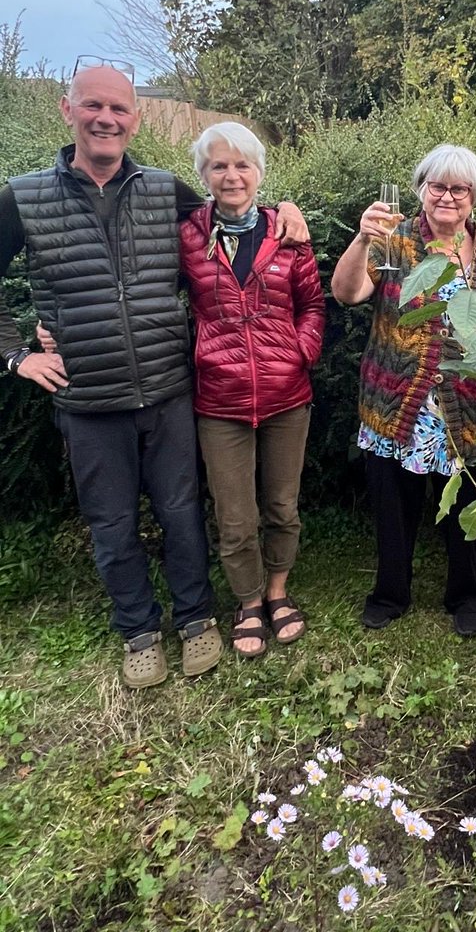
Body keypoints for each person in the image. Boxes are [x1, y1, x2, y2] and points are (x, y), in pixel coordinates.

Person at [0, 62, 306, 689]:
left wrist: (288, 210)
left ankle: (196, 619)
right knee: (111, 522)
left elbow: (238, 211)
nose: (105, 119)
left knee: (182, 511)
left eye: (118, 109)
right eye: (93, 106)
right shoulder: (22, 196)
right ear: (68, 110)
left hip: (169, 387)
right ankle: (138, 629)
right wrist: (17, 353)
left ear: (135, 119)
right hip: (87, 394)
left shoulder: (166, 190)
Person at [331, 144, 476, 637]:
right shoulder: (393, 242)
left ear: (475, 195)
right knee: (394, 507)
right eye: (438, 186)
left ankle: (466, 595)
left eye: (460, 188)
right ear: (421, 189)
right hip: (399, 404)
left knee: (466, 507)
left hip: (469, 409)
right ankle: (390, 593)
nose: (448, 197)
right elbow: (348, 293)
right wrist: (360, 240)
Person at [180, 123, 325, 659]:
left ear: (259, 173)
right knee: (235, 515)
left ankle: (278, 592)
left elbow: (312, 305)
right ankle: (246, 602)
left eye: (242, 165)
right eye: (219, 165)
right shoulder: (188, 236)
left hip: (288, 395)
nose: (231, 175)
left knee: (282, 506)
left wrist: (300, 353)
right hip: (219, 400)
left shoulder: (287, 234)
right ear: (204, 175)